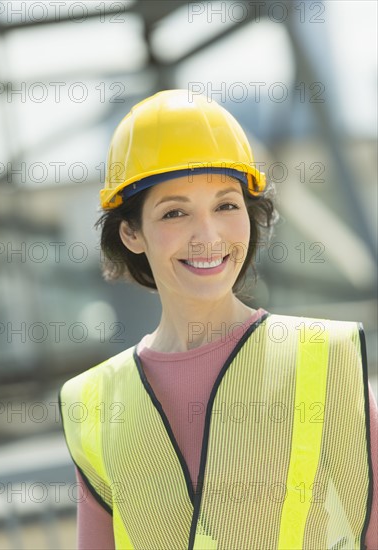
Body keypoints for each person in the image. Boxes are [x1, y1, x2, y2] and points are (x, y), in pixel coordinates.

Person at [58, 90, 377, 550]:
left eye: (226, 205)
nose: (207, 236)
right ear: (131, 232)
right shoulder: (91, 403)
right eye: (175, 212)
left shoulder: (327, 361)